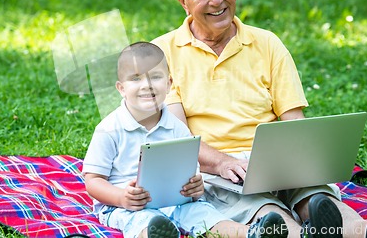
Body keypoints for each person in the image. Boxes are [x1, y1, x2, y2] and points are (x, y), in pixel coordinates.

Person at [151, 0, 367, 238]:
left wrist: (302, 161)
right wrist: (225, 162)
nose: (216, 1)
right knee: (269, 214)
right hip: (217, 171)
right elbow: (176, 139)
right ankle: (304, 235)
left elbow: (293, 119)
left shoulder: (267, 43)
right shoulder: (161, 53)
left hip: (274, 159)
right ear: (183, 1)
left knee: (319, 198)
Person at [82, 41, 290, 238]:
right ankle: (156, 234)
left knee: (205, 214)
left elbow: (191, 172)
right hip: (125, 206)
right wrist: (121, 197)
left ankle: (252, 233)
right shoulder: (109, 129)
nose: (146, 85)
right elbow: (93, 181)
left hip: (176, 202)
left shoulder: (177, 127)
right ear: (121, 88)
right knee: (144, 221)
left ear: (169, 83)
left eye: (155, 76)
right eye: (136, 78)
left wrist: (195, 188)